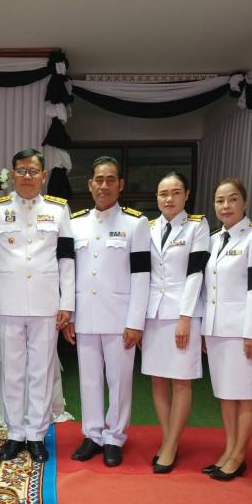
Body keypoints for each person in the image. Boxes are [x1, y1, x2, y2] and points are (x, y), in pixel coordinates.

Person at [0, 148, 75, 463]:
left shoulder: (58, 210)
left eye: (33, 171)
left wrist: (67, 302)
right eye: (21, 171)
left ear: (44, 176)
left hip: (46, 303)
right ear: (12, 175)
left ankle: (36, 434)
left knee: (41, 371)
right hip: (8, 303)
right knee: (12, 371)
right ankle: (14, 433)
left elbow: (66, 260)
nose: (27, 176)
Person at [63, 156, 150, 467]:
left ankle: (114, 436)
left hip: (119, 317)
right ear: (90, 185)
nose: (104, 185)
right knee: (88, 379)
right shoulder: (75, 223)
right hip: (85, 315)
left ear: (120, 184)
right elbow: (68, 273)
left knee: (119, 380)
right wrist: (70, 315)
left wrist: (135, 321)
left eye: (110, 179)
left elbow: (142, 275)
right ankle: (92, 434)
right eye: (99, 180)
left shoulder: (135, 223)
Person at [202, 178, 252, 481]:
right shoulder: (214, 239)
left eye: (232, 199)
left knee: (245, 395)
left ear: (245, 202)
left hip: (243, 330)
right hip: (216, 329)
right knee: (226, 394)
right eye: (220, 200)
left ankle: (239, 455)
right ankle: (229, 449)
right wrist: (205, 328)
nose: (226, 206)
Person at [142, 171, 210, 473]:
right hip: (153, 314)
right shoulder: (148, 227)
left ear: (186, 195)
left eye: (175, 192)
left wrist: (185, 317)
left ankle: (170, 446)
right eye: (163, 193)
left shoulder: (197, 225)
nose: (168, 199)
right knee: (158, 379)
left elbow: (196, 273)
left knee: (181, 380)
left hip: (183, 313)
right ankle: (169, 439)